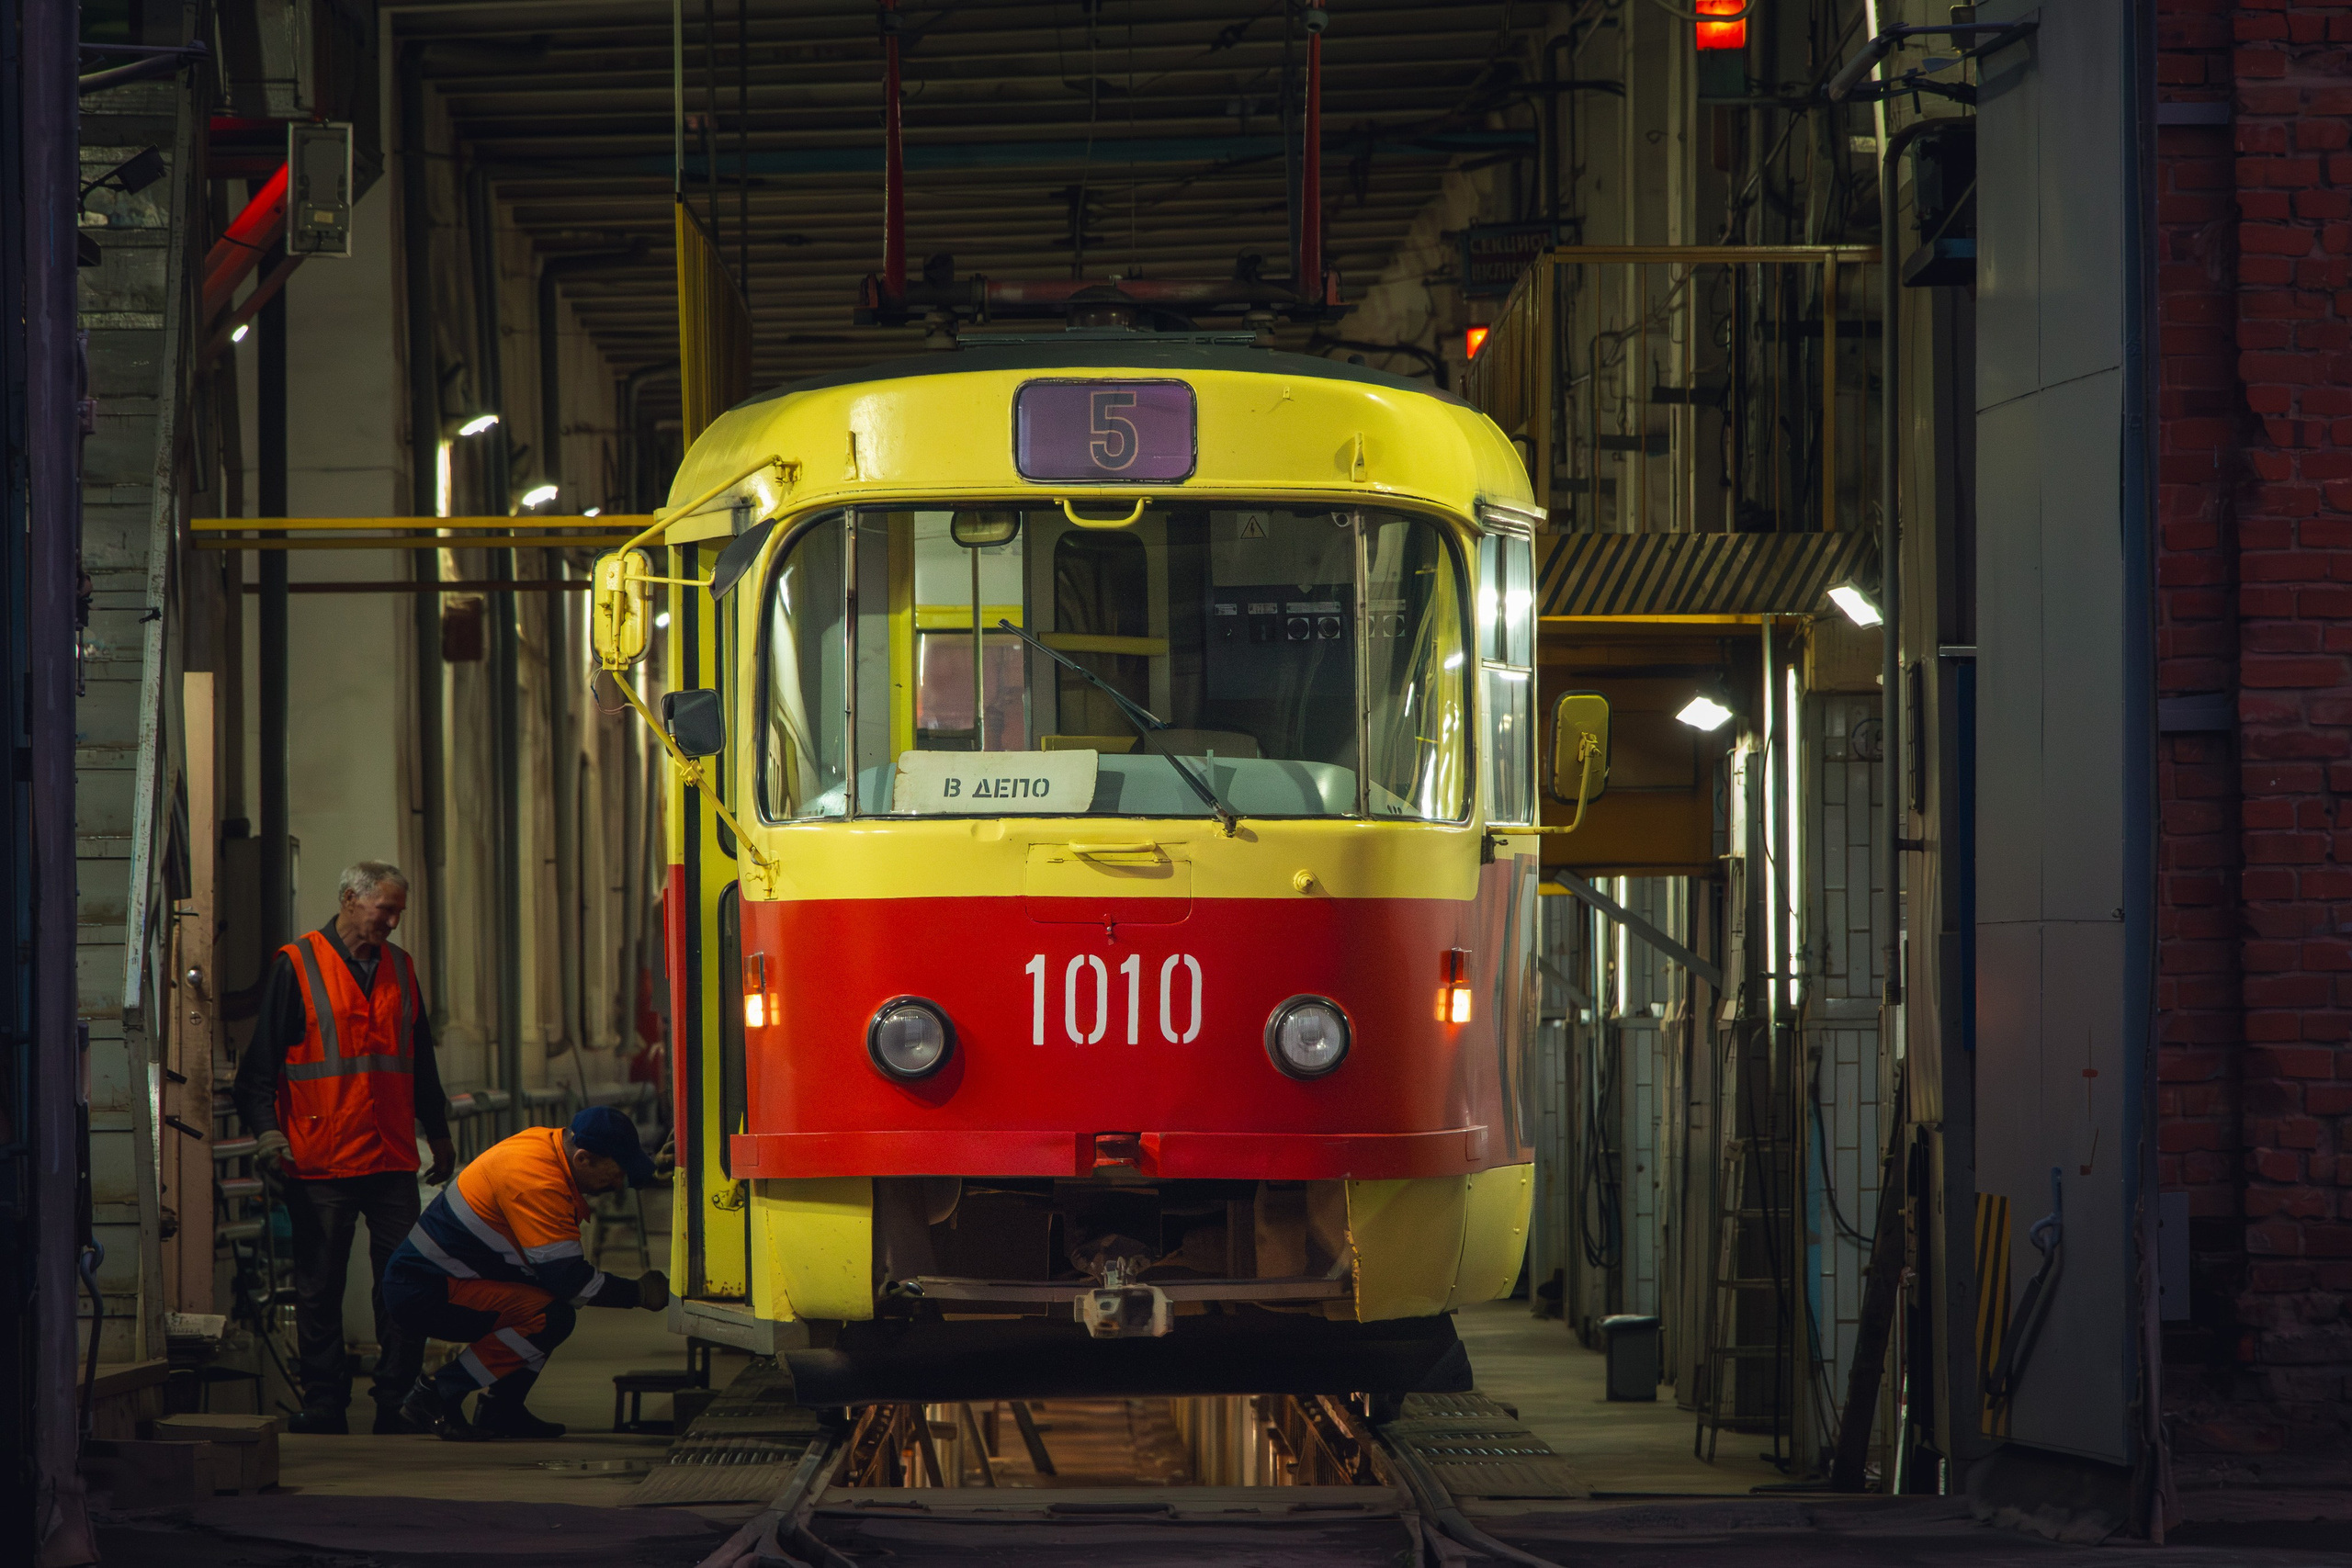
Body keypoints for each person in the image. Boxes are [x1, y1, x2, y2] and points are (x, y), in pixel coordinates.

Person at [232, 860, 454, 1436]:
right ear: (351, 900)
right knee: (319, 1286)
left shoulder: (401, 970)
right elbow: (257, 1073)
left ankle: (397, 1401)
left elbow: (421, 1062)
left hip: (390, 1157)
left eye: (399, 912)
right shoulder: (297, 965)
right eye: (386, 909)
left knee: (406, 1282)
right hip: (320, 1157)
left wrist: (440, 1132)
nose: (393, 922)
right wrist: (267, 1132)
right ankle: (325, 1405)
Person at [385, 1106, 669, 1440]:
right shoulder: (535, 1184)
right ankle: (436, 1395)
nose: (619, 1182)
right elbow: (571, 1282)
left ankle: (501, 1411)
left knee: (547, 1308)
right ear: (583, 1159)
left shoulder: (545, 1145)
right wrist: (640, 1293)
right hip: (425, 1291)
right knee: (550, 1316)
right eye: (617, 1172)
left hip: (443, 1277)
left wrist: (649, 1170)